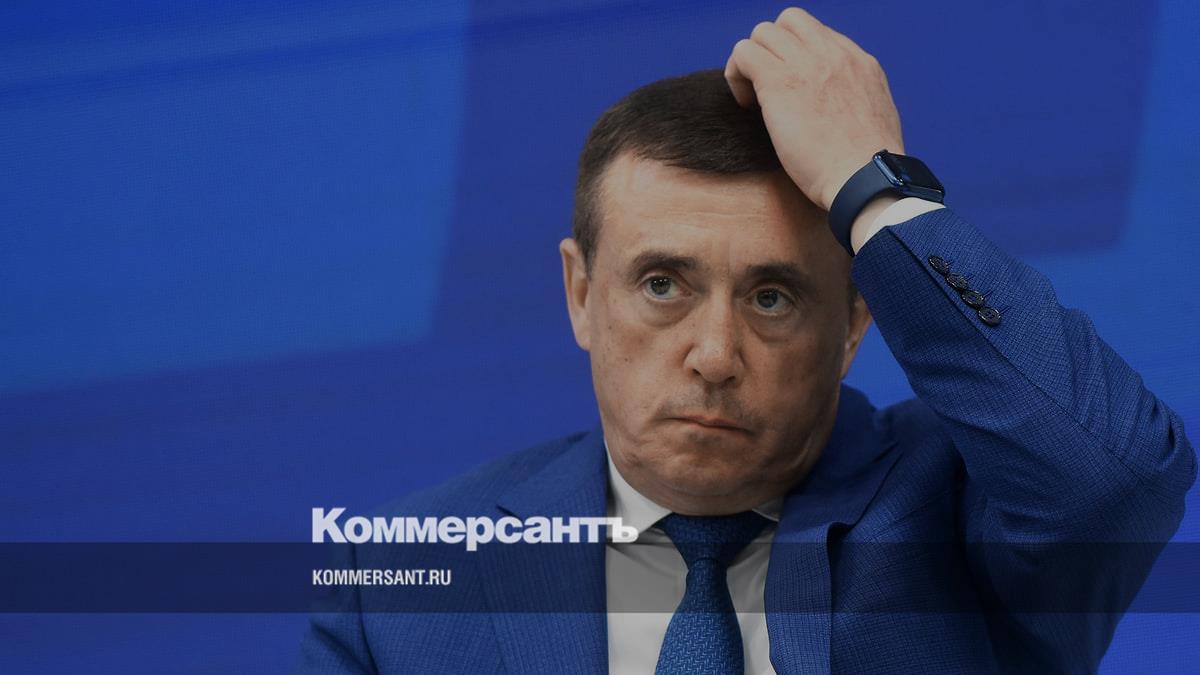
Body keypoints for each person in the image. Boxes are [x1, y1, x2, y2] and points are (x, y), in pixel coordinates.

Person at [299, 7, 1194, 674]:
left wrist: (876, 191)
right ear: (580, 293)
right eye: (662, 284)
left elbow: (1115, 481)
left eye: (772, 297)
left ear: (853, 323)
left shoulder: (961, 509)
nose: (715, 355)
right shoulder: (407, 576)